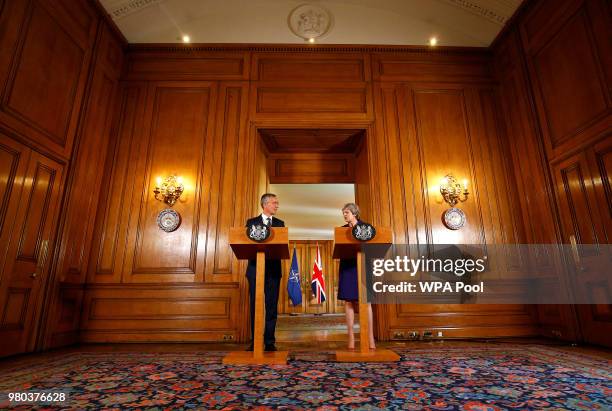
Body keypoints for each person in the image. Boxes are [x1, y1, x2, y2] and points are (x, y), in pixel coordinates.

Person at [245, 193, 284, 352]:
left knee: (271, 307)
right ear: (265, 204)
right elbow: (246, 244)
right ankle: (255, 341)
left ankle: (269, 342)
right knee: (255, 305)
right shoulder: (251, 222)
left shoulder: (280, 224)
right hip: (255, 269)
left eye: (277, 203)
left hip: (273, 270)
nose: (277, 205)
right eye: (274, 203)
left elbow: (281, 245)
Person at [337, 202, 376, 350]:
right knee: (349, 301)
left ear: (354, 213)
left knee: (366, 302)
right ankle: (351, 338)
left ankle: (370, 337)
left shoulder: (366, 227)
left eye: (346, 212)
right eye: (344, 213)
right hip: (348, 266)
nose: (344, 215)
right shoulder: (341, 231)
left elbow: (373, 246)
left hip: (363, 265)